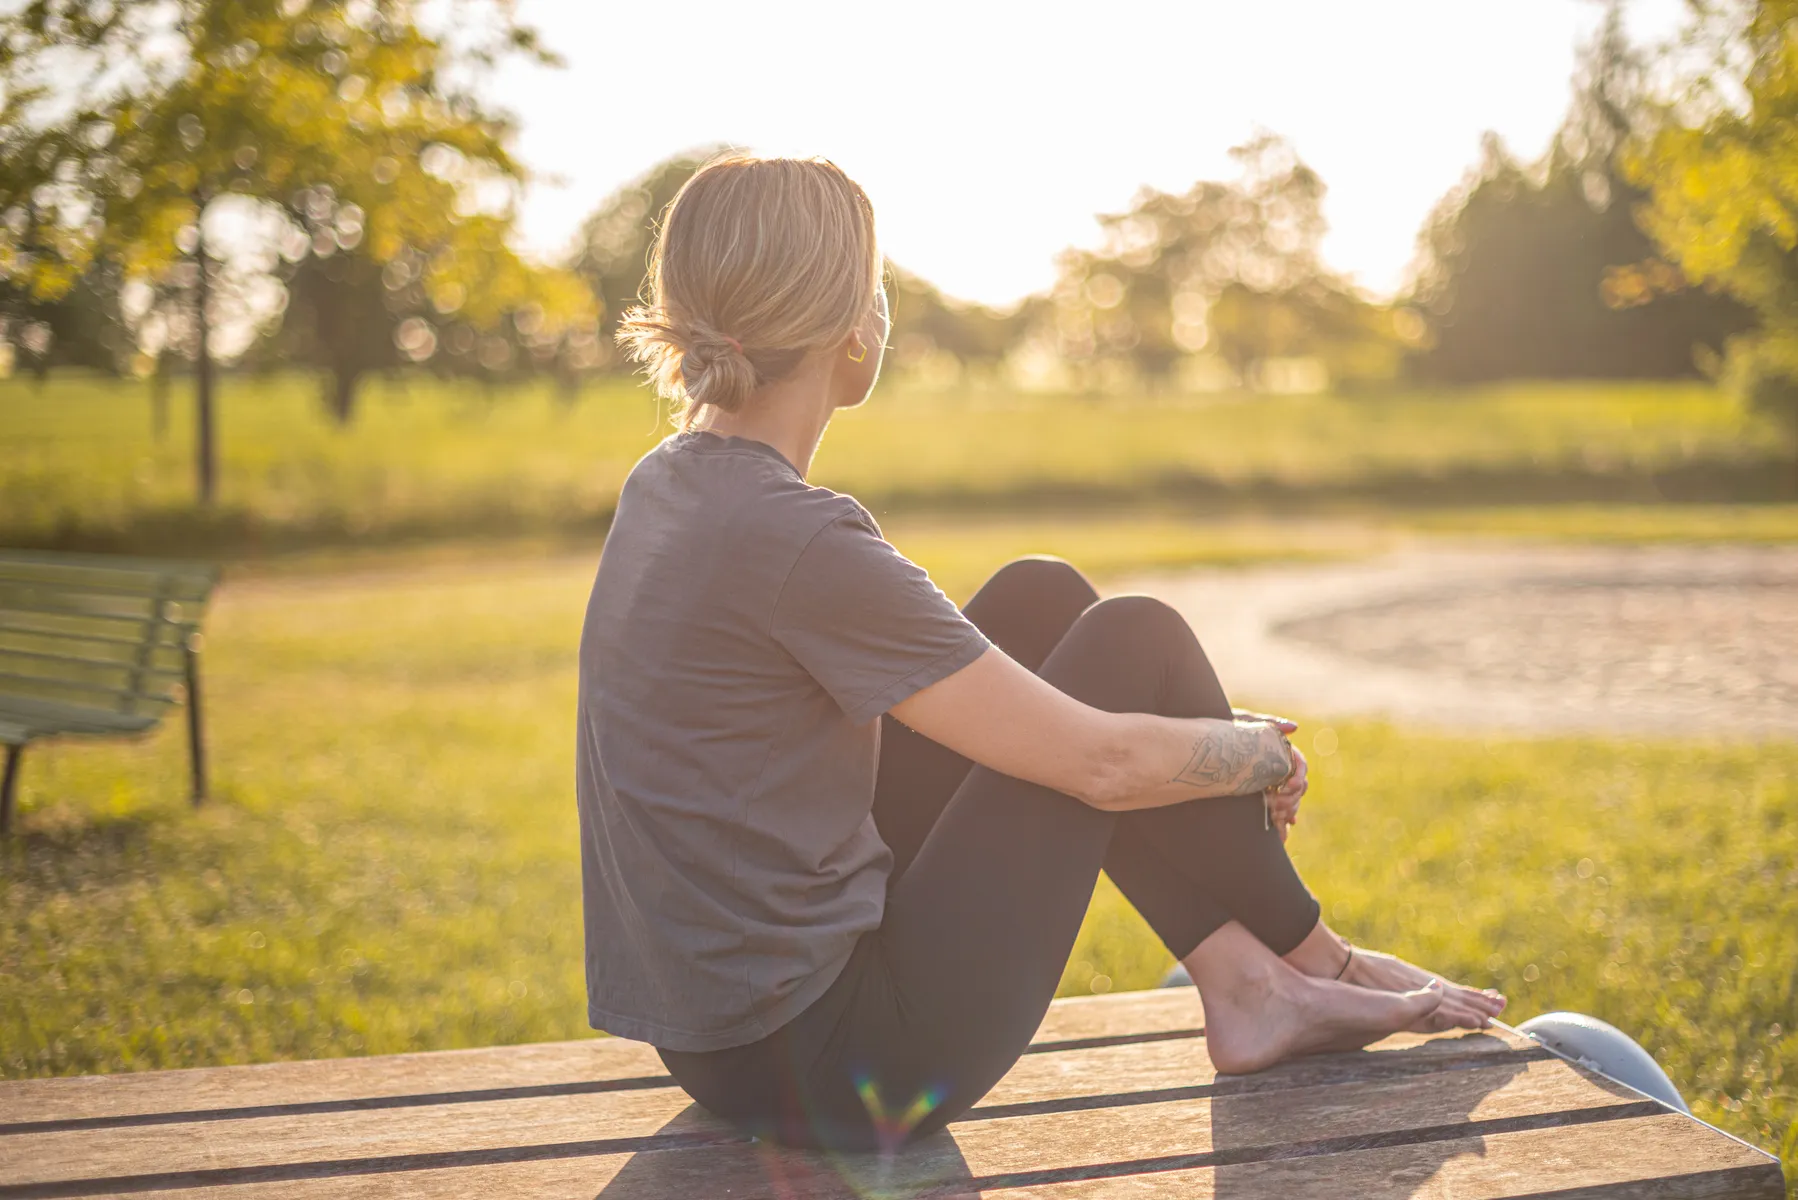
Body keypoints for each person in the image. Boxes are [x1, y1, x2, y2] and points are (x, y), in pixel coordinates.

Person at [575, 153, 1505, 1153]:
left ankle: (1249, 984)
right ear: (853, 325)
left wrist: (1217, 749)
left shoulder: (670, 485)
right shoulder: (797, 540)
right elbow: (1097, 762)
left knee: (1039, 597)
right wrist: (1260, 753)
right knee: (1133, 641)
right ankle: (1319, 964)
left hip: (724, 1040)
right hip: (843, 1063)